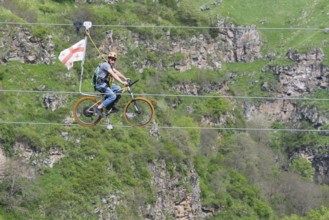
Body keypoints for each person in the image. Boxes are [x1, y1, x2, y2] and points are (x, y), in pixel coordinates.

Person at [94, 51, 128, 117]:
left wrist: (125, 78)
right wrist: (122, 82)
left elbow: (117, 72)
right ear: (108, 58)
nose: (113, 61)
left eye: (114, 60)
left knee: (119, 89)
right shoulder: (106, 65)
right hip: (100, 85)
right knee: (113, 96)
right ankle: (98, 108)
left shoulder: (110, 66)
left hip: (105, 84)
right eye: (111, 59)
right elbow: (113, 74)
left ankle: (110, 106)